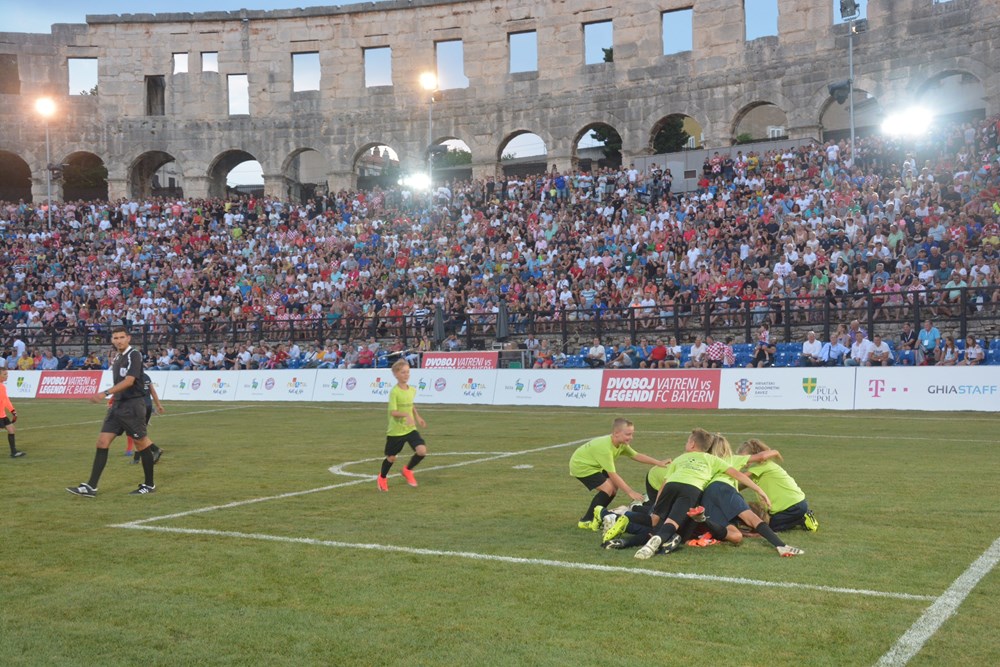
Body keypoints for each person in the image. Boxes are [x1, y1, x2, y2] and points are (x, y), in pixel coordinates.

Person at [616, 428, 771, 559]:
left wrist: (657, 504)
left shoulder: (686, 458)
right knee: (670, 522)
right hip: (681, 487)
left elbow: (665, 483)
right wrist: (759, 490)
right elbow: (738, 474)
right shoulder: (713, 461)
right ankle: (646, 534)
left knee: (656, 519)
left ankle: (623, 518)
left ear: (692, 444)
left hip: (669, 484)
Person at [67, 326, 158, 497]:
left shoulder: (134, 355)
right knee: (102, 442)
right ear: (112, 340)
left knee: (141, 444)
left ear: (128, 338)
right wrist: (112, 398)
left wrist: (105, 393)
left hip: (132, 406)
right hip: (117, 405)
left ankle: (149, 484)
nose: (119, 341)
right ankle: (91, 487)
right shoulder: (118, 357)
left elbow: (129, 381)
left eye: (122, 337)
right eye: (115, 338)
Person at [697, 434, 804, 557]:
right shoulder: (731, 459)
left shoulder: (706, 463)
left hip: (707, 495)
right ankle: (781, 546)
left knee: (736, 536)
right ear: (726, 448)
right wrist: (775, 452)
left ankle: (703, 521)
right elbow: (761, 456)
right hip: (724, 488)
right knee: (752, 519)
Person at [569, 418, 669, 531]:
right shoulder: (605, 448)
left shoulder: (621, 444)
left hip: (595, 465)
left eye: (632, 434)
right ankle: (586, 521)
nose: (631, 437)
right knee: (608, 489)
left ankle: (598, 515)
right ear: (616, 433)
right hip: (581, 466)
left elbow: (636, 455)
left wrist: (658, 462)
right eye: (628, 434)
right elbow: (613, 474)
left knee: (613, 488)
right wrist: (630, 492)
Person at [738, 438, 818, 532]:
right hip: (796, 504)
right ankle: (798, 517)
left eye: (743, 457)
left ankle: (802, 519)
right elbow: (743, 484)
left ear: (754, 456)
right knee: (763, 523)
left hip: (793, 506)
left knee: (767, 528)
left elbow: (738, 477)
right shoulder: (763, 466)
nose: (741, 460)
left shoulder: (760, 467)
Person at [376, 359, 427, 492]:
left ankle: (407, 470)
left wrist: (417, 417)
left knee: (422, 451)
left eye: (408, 372)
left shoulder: (412, 390)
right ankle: (382, 477)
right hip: (396, 431)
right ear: (396, 374)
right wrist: (406, 415)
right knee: (391, 458)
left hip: (410, 429)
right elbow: (393, 412)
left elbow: (411, 405)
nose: (406, 375)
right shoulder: (395, 392)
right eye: (403, 372)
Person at [127, 372, 165, 464]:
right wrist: (158, 405)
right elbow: (153, 392)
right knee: (140, 432)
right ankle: (136, 459)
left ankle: (155, 449)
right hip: (148, 406)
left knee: (136, 433)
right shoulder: (146, 376)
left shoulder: (132, 377)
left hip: (139, 407)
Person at [0, 369, 25, 458]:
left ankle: (13, 452)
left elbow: (6, 400)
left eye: (7, 374)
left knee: (11, 429)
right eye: (4, 374)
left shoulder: (2, 387)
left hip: (2, 415)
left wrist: (13, 411)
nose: (7, 376)